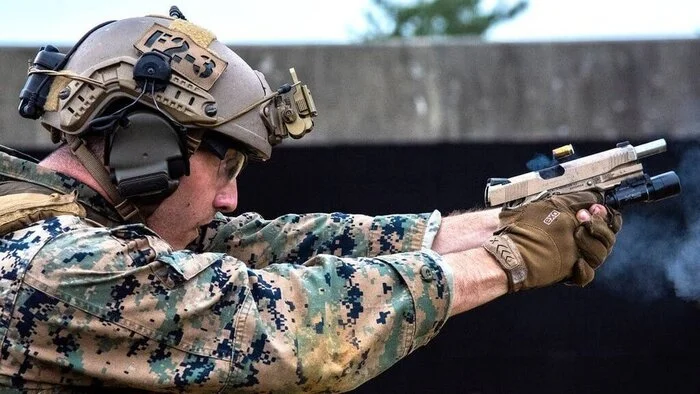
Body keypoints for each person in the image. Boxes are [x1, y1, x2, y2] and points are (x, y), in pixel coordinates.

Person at [0, 7, 622, 393]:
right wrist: (507, 261)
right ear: (143, 145)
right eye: (224, 163)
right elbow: (287, 330)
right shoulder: (56, 267)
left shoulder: (81, 226)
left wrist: (505, 224)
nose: (230, 198)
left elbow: (275, 247)